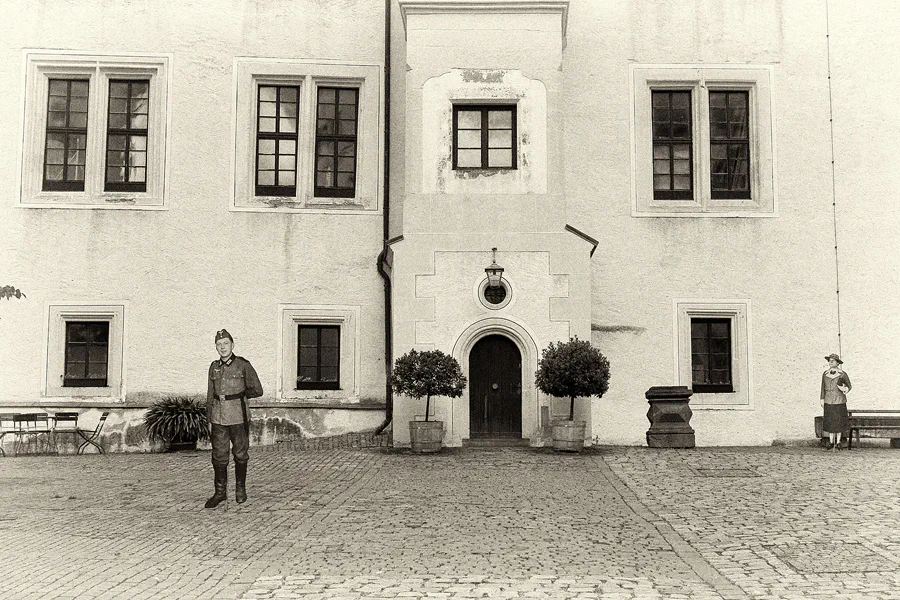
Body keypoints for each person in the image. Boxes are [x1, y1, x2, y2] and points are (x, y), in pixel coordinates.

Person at [205, 329, 263, 508]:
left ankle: (240, 490)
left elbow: (258, 390)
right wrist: (208, 420)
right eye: (219, 345)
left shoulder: (243, 365)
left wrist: (241, 395)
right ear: (216, 347)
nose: (223, 348)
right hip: (218, 418)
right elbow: (210, 395)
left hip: (238, 416)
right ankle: (220, 493)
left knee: (240, 454)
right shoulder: (214, 366)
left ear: (232, 345)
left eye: (226, 344)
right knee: (219, 456)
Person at [820, 353, 851, 452]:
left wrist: (843, 388)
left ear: (837, 363)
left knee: (838, 421)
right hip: (828, 400)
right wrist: (822, 398)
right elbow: (822, 388)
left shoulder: (842, 374)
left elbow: (849, 386)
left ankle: (838, 442)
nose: (830, 362)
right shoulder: (825, 374)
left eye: (832, 361)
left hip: (839, 400)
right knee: (830, 421)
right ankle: (831, 441)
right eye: (829, 360)